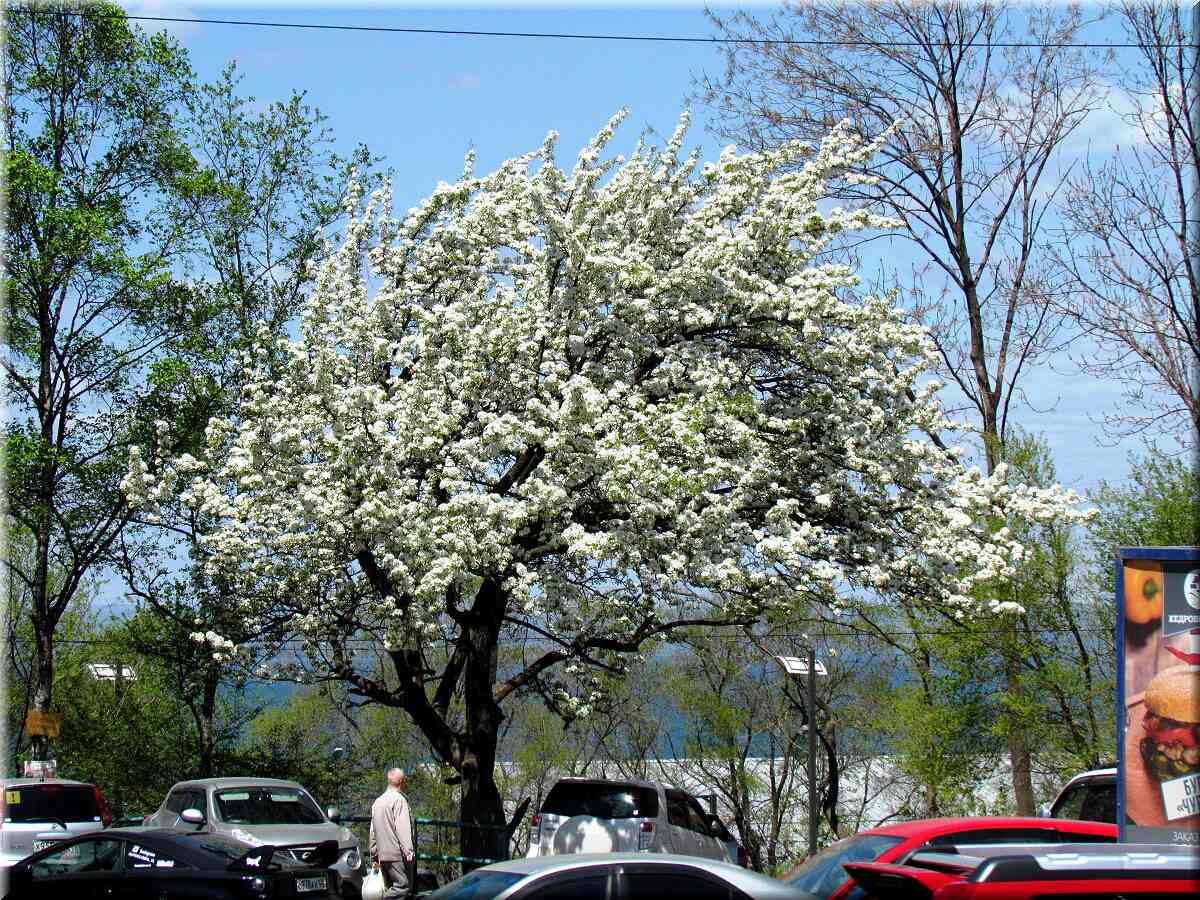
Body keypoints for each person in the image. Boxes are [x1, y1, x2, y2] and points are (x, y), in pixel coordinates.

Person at [369, 768, 415, 898]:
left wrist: (373, 852)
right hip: (396, 855)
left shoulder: (377, 802)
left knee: (389, 887)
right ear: (401, 781)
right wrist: (409, 851)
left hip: (382, 855)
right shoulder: (399, 800)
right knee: (403, 887)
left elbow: (373, 831)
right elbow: (403, 828)